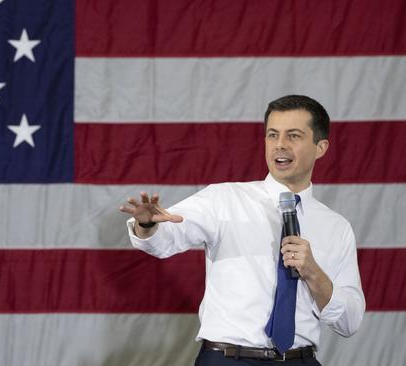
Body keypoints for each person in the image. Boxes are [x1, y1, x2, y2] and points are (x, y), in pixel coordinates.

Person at [119, 95, 365, 365]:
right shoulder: (224, 199)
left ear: (321, 147)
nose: (280, 145)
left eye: (293, 136)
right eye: (273, 135)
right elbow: (167, 237)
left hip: (300, 360)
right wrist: (147, 224)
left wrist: (314, 274)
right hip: (228, 358)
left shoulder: (337, 228)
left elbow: (350, 322)